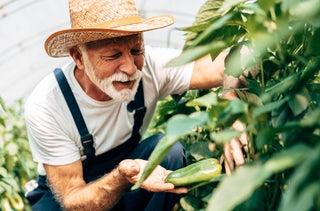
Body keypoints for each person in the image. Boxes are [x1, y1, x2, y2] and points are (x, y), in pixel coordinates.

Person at [24, 0, 246, 210]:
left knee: (168, 151)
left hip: (128, 175)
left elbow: (238, 61)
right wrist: (120, 176)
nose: (131, 68)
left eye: (136, 50)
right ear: (78, 57)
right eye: (113, 55)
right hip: (74, 198)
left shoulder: (151, 68)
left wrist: (230, 100)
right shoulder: (48, 104)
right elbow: (74, 200)